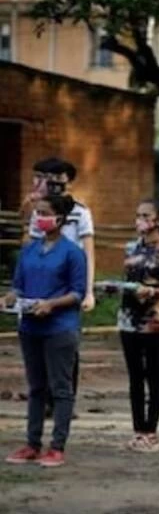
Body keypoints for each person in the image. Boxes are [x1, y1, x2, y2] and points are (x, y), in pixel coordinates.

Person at [4, 195, 87, 468]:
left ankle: (57, 445)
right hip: (30, 326)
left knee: (61, 387)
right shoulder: (29, 250)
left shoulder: (73, 253)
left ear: (60, 219)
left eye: (44, 213)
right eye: (36, 213)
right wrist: (12, 297)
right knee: (36, 386)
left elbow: (77, 292)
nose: (39, 218)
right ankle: (32, 442)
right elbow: (18, 284)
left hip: (59, 327)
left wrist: (52, 304)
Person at [118, 199, 159, 452]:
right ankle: (137, 429)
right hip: (128, 316)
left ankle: (151, 430)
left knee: (152, 374)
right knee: (134, 376)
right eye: (138, 215)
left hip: (153, 318)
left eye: (145, 215)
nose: (140, 220)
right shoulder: (132, 248)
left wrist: (152, 291)